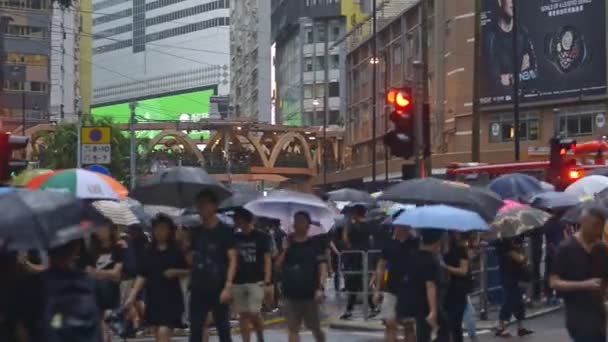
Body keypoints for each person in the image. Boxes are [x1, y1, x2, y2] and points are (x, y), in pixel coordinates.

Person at [126, 215, 189, 342]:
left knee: (163, 332)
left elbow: (190, 270)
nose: (159, 231)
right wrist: (131, 297)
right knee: (159, 335)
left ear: (170, 230)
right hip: (154, 298)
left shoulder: (177, 251)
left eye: (163, 228)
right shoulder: (148, 251)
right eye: (157, 228)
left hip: (172, 300)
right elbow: (142, 275)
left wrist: (176, 271)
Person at [550, 206, 608, 342]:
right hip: (578, 313)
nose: (598, 230)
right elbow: (554, 281)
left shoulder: (601, 249)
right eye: (595, 226)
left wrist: (605, 299)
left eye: (601, 226)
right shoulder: (566, 248)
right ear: (584, 222)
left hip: (598, 314)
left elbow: (605, 278)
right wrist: (583, 285)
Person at [187, 191, 237, 342]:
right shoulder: (195, 232)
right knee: (195, 329)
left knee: (223, 329)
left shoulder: (225, 231)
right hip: (198, 286)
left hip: (219, 286)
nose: (201, 208)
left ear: (214, 206)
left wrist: (228, 286)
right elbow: (190, 260)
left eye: (204, 204)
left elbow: (233, 259)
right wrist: (184, 245)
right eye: (199, 204)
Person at [277, 211, 327, 342]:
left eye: (301, 221)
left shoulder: (315, 244)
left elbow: (322, 267)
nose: (297, 224)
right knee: (293, 329)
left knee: (315, 327)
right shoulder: (287, 243)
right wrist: (285, 249)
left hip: (310, 294)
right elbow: (277, 266)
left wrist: (321, 288)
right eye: (296, 220)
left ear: (308, 225)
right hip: (290, 294)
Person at [396, 229, 449, 342]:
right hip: (423, 305)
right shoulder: (429, 260)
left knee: (428, 333)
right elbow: (430, 286)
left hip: (409, 303)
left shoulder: (413, 255)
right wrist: (433, 311)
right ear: (437, 242)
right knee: (439, 330)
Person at [373, 224, 419, 342]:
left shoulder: (416, 243)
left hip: (410, 290)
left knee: (408, 326)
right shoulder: (388, 243)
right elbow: (381, 266)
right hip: (390, 288)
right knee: (390, 323)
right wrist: (377, 290)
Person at [233, 208, 273, 342]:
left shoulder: (262, 237)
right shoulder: (234, 237)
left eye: (239, 220)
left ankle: (260, 337)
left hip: (257, 280)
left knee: (254, 312)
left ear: (247, 221)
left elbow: (267, 258)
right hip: (238, 280)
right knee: (243, 315)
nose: (238, 223)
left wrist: (267, 280)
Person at [484, 0, 537, 92]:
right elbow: (492, 79)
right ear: (500, 2)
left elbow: (535, 72)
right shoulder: (490, 38)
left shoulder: (522, 32)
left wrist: (510, 78)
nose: (513, 2)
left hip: (522, 97)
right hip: (500, 101)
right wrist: (520, 73)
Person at [86, 221, 124, 342]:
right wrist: (107, 273)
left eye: (103, 227)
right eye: (98, 228)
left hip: (111, 293)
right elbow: (87, 271)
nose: (100, 231)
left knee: (106, 324)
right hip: (94, 292)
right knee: (100, 325)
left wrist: (97, 273)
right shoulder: (91, 250)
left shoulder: (118, 248)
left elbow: (116, 274)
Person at [494, 236, 533, 338]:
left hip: (509, 280)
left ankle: (520, 328)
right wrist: (522, 250)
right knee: (509, 303)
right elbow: (522, 260)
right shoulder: (510, 253)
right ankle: (501, 327)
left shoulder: (502, 252)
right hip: (511, 281)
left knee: (518, 303)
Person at [341, 204, 375, 319]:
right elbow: (371, 241)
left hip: (354, 257)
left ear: (355, 213)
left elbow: (345, 240)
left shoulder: (352, 226)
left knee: (353, 284)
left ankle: (349, 310)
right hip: (366, 256)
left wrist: (346, 229)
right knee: (364, 283)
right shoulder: (370, 225)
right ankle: (372, 307)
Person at [442, 233, 472, 342]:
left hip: (457, 290)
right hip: (442, 291)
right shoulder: (437, 251)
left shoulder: (460, 250)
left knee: (455, 324)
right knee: (444, 325)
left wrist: (446, 267)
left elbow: (463, 271)